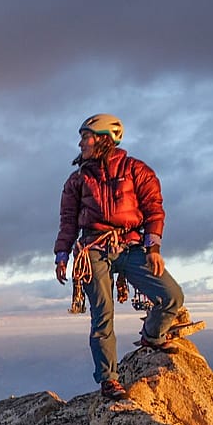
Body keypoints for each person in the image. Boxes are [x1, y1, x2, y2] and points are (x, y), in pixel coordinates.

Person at [53, 114, 184, 401]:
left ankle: (153, 335)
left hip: (131, 247)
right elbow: (68, 222)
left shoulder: (137, 170)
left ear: (103, 139)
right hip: (94, 250)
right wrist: (62, 254)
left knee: (172, 295)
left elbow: (153, 209)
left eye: (85, 136)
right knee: (103, 317)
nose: (80, 142)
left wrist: (153, 248)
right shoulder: (78, 180)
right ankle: (109, 379)